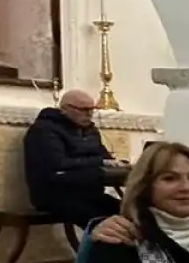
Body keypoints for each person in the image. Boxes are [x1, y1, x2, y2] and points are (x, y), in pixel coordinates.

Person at [24, 89, 126, 225]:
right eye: (84, 110)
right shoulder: (44, 130)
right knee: (102, 221)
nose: (89, 115)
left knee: (129, 212)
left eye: (92, 110)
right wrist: (99, 163)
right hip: (56, 195)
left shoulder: (90, 131)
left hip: (89, 192)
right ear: (65, 109)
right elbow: (58, 164)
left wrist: (120, 165)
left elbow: (104, 157)